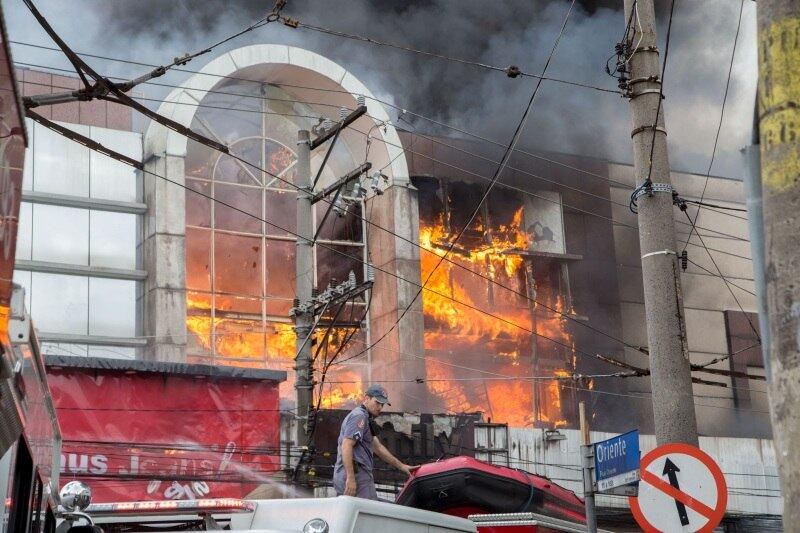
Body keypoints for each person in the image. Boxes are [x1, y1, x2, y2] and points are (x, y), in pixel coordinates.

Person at [332, 384, 416, 499]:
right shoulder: (359, 416)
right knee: (368, 513)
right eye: (377, 403)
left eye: (382, 404)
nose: (380, 407)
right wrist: (350, 479)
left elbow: (378, 448)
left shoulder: (366, 417)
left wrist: (402, 466)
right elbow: (347, 445)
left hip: (358, 476)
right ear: (367, 398)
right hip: (357, 476)